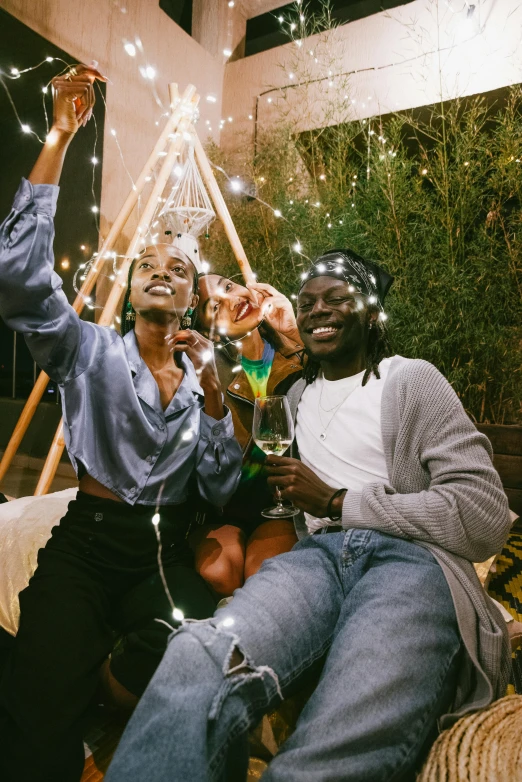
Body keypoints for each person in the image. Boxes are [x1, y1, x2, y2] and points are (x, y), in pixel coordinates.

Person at [105, 249, 512, 782]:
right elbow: (238, 470)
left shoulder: (410, 379)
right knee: (194, 657)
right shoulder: (292, 394)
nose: (317, 309)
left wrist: (339, 502)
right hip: (315, 560)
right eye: (308, 302)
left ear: (370, 312)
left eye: (336, 299)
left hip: (410, 563)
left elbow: (485, 515)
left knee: (347, 719)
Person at [0, 64, 242, 782]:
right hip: (88, 544)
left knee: (203, 648)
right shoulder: (86, 350)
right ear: (131, 289)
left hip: (161, 554)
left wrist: (221, 399)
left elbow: (224, 483)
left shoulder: (205, 376)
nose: (160, 270)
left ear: (195, 296)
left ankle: (110, 690)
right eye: (147, 264)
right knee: (37, 713)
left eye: (177, 267)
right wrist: (60, 134)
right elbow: (17, 276)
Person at [177, 273, 302, 596]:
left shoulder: (295, 354)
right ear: (209, 335)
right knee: (219, 572)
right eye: (215, 306)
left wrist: (293, 334)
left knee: (265, 574)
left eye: (230, 286)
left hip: (278, 505)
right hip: (225, 506)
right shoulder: (200, 374)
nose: (234, 300)